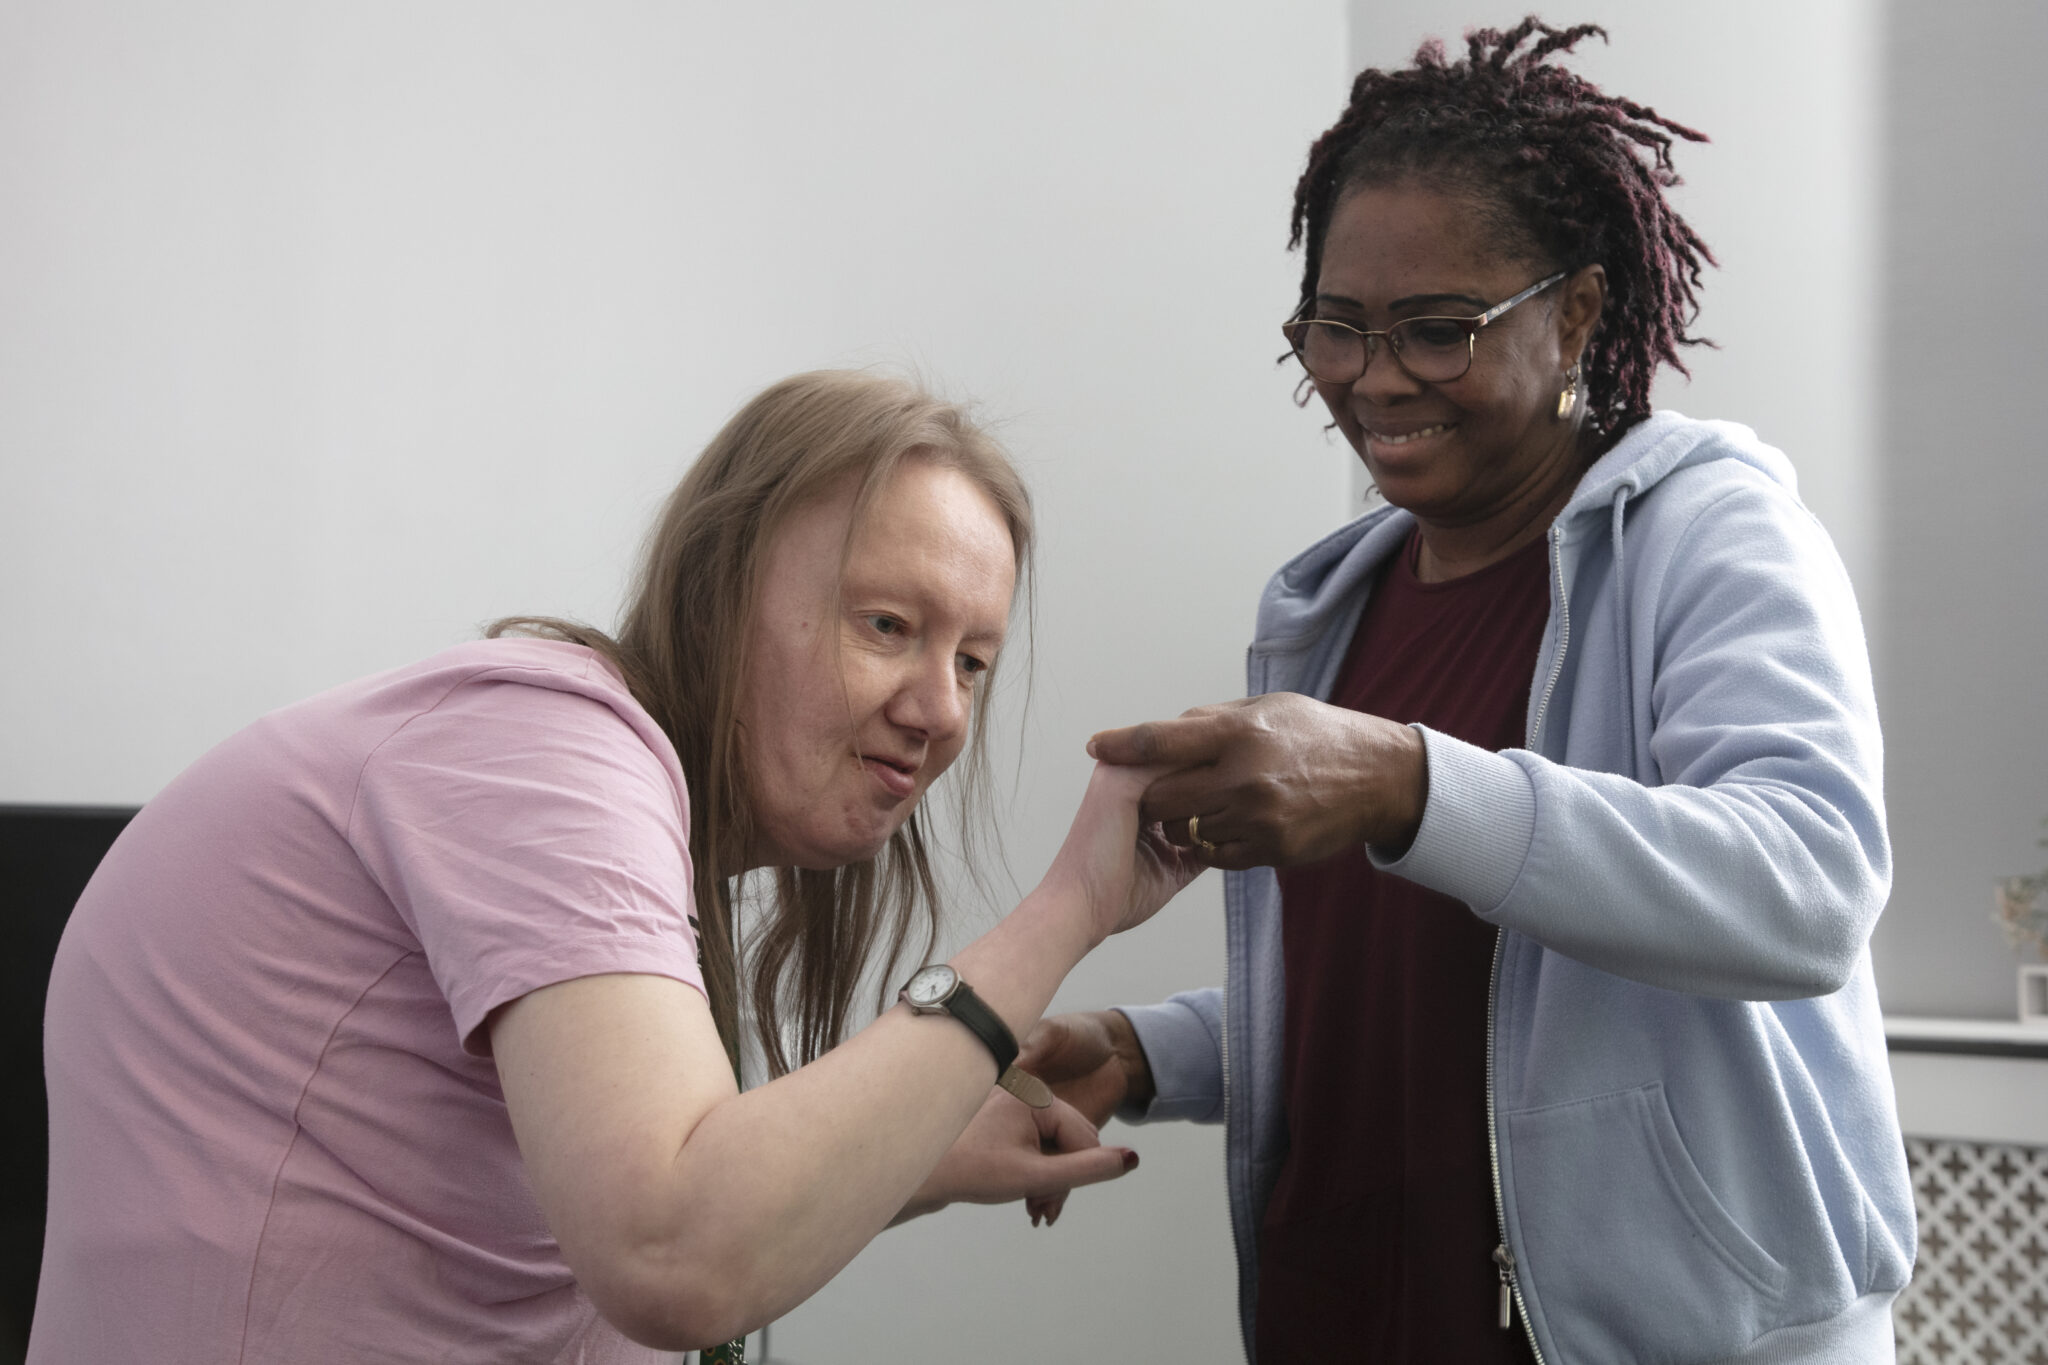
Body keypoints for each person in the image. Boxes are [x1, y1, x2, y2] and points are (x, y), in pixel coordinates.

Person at [1021, 20, 1913, 1364]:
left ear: (1579, 312)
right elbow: (1430, 994)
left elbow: (1809, 885)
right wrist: (1152, 1051)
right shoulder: (1332, 607)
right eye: (1335, 329)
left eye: (1438, 331)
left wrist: (1407, 782)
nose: (1374, 380)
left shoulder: (1710, 535)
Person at [32, 370, 1201, 1362]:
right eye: (887, 625)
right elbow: (673, 1252)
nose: (940, 711)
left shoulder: (586, 790)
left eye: (973, 662)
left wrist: (910, 1151)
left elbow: (594, 1211)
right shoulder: (541, 748)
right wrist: (1069, 908)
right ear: (719, 589)